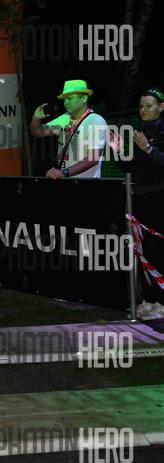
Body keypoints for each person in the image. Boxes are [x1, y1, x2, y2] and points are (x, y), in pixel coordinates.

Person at [108, 87, 164, 304]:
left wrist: (150, 150)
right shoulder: (138, 133)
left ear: (161, 107)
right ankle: (150, 299)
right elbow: (130, 168)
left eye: (148, 106)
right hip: (140, 201)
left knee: (159, 249)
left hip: (159, 200)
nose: (143, 110)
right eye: (141, 106)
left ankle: (161, 301)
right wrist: (118, 150)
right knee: (143, 250)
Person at [30, 79, 107, 179]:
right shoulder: (65, 118)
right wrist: (36, 118)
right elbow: (37, 132)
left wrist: (64, 172)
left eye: (70, 98)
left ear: (84, 98)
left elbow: (93, 158)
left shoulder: (96, 121)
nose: (66, 103)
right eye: (65, 99)